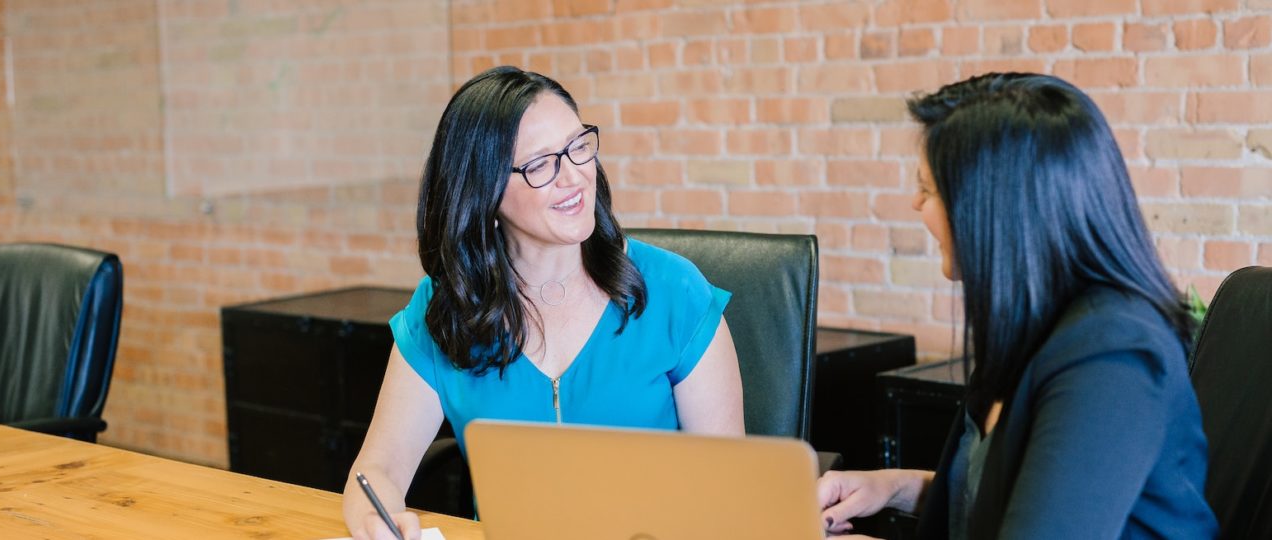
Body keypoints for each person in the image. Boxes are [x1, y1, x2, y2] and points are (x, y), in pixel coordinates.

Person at [343, 66, 744, 540]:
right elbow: (378, 471)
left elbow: (726, 493)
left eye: (578, 147)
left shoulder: (674, 292)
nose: (574, 177)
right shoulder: (445, 309)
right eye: (540, 164)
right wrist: (379, 524)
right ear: (483, 191)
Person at [817, 73, 1218, 539]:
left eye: (928, 190)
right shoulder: (1032, 328)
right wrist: (893, 485)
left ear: (992, 208)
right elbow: (1007, 497)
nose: (915, 204)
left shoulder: (1112, 359)